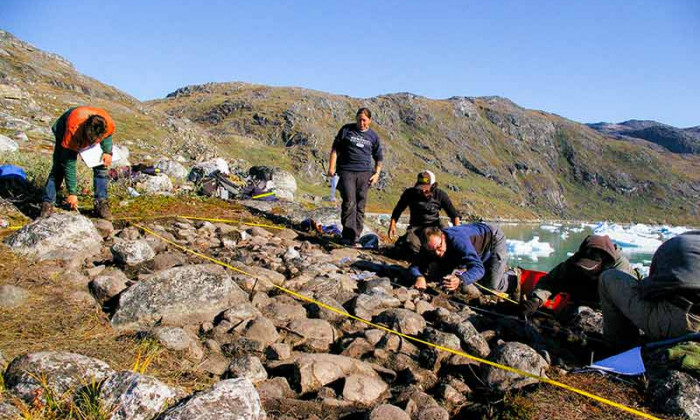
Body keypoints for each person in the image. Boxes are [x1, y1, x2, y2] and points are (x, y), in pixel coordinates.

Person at [598, 231, 700, 350]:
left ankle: (620, 348)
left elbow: (648, 291)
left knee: (609, 278)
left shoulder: (674, 245)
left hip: (682, 323)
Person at [520, 234, 634, 318]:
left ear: (603, 262)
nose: (585, 270)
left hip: (607, 312)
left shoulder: (620, 270)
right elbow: (551, 281)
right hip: (577, 306)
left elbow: (624, 304)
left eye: (590, 267)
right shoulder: (575, 262)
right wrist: (536, 300)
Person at [40, 106, 115, 219]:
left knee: (101, 165)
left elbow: (108, 137)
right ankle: (48, 203)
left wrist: (107, 152)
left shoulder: (107, 124)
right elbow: (69, 164)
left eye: (99, 139)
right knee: (59, 167)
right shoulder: (72, 130)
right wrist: (72, 193)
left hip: (88, 133)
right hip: (64, 130)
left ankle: (101, 203)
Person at [410, 222, 517, 296]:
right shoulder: (430, 245)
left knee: (492, 285)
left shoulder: (458, 241)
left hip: (492, 238)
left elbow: (479, 268)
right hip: (474, 244)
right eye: (432, 251)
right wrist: (419, 277)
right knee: (438, 276)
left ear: (443, 236)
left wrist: (460, 279)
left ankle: (514, 277)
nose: (437, 253)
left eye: (439, 247)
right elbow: (414, 266)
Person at [327, 108, 383, 246]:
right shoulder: (346, 130)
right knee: (349, 202)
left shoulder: (373, 136)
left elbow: (379, 158)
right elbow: (335, 149)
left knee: (360, 205)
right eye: (359, 120)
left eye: (364, 120)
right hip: (346, 171)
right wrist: (331, 167)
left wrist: (377, 174)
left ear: (369, 120)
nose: (361, 123)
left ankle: (356, 235)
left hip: (365, 173)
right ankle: (347, 235)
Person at [388, 170, 461, 258]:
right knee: (412, 243)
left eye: (426, 188)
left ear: (433, 186)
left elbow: (454, 215)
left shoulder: (440, 195)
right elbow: (398, 209)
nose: (423, 190)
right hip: (416, 227)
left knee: (448, 239)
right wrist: (392, 225)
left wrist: (458, 233)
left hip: (435, 226)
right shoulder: (410, 193)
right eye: (420, 187)